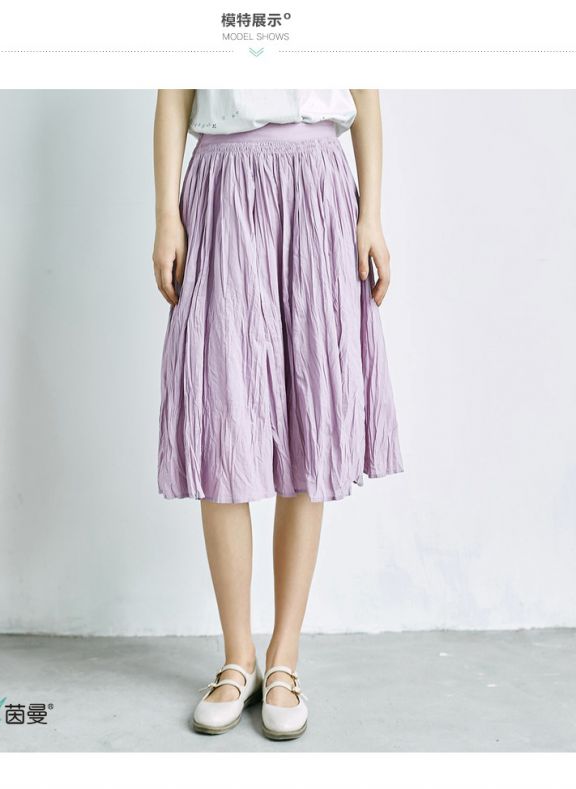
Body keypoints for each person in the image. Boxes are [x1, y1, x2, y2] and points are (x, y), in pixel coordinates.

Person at [152, 89, 403, 740]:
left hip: (317, 189)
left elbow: (364, 90)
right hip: (221, 191)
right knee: (221, 417)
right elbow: (174, 92)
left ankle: (283, 657)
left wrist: (371, 215)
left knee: (306, 416)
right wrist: (167, 216)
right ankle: (236, 657)